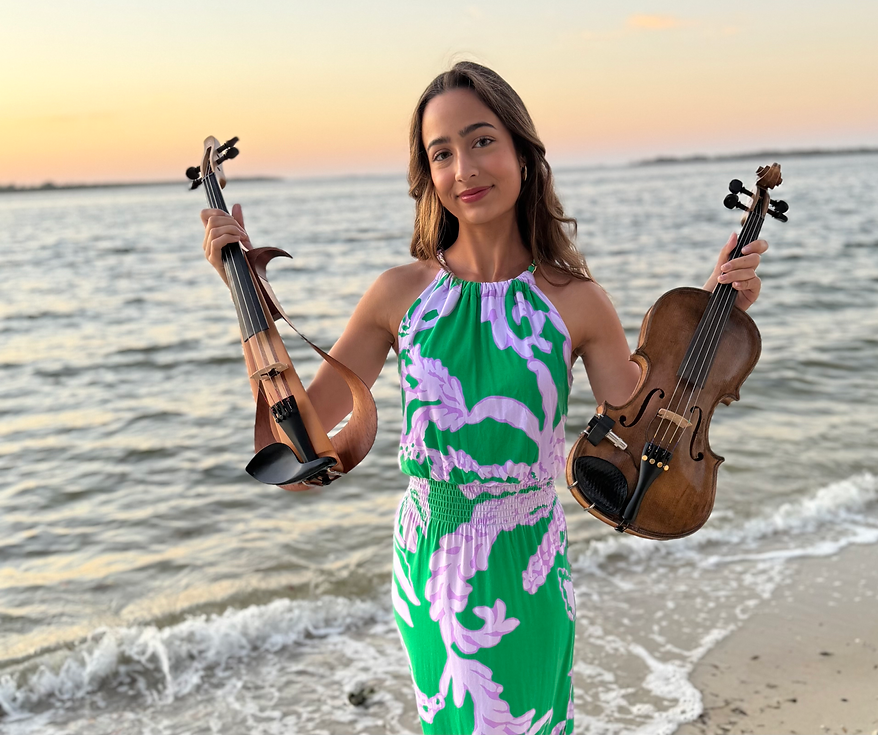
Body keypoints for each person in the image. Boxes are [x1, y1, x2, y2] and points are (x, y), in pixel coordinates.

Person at [201, 61, 767, 735]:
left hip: (528, 563)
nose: (464, 168)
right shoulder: (398, 294)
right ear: (428, 174)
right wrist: (243, 293)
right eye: (441, 153)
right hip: (428, 559)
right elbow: (302, 430)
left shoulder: (577, 301)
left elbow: (645, 418)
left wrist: (715, 307)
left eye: (481, 141)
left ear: (522, 153)